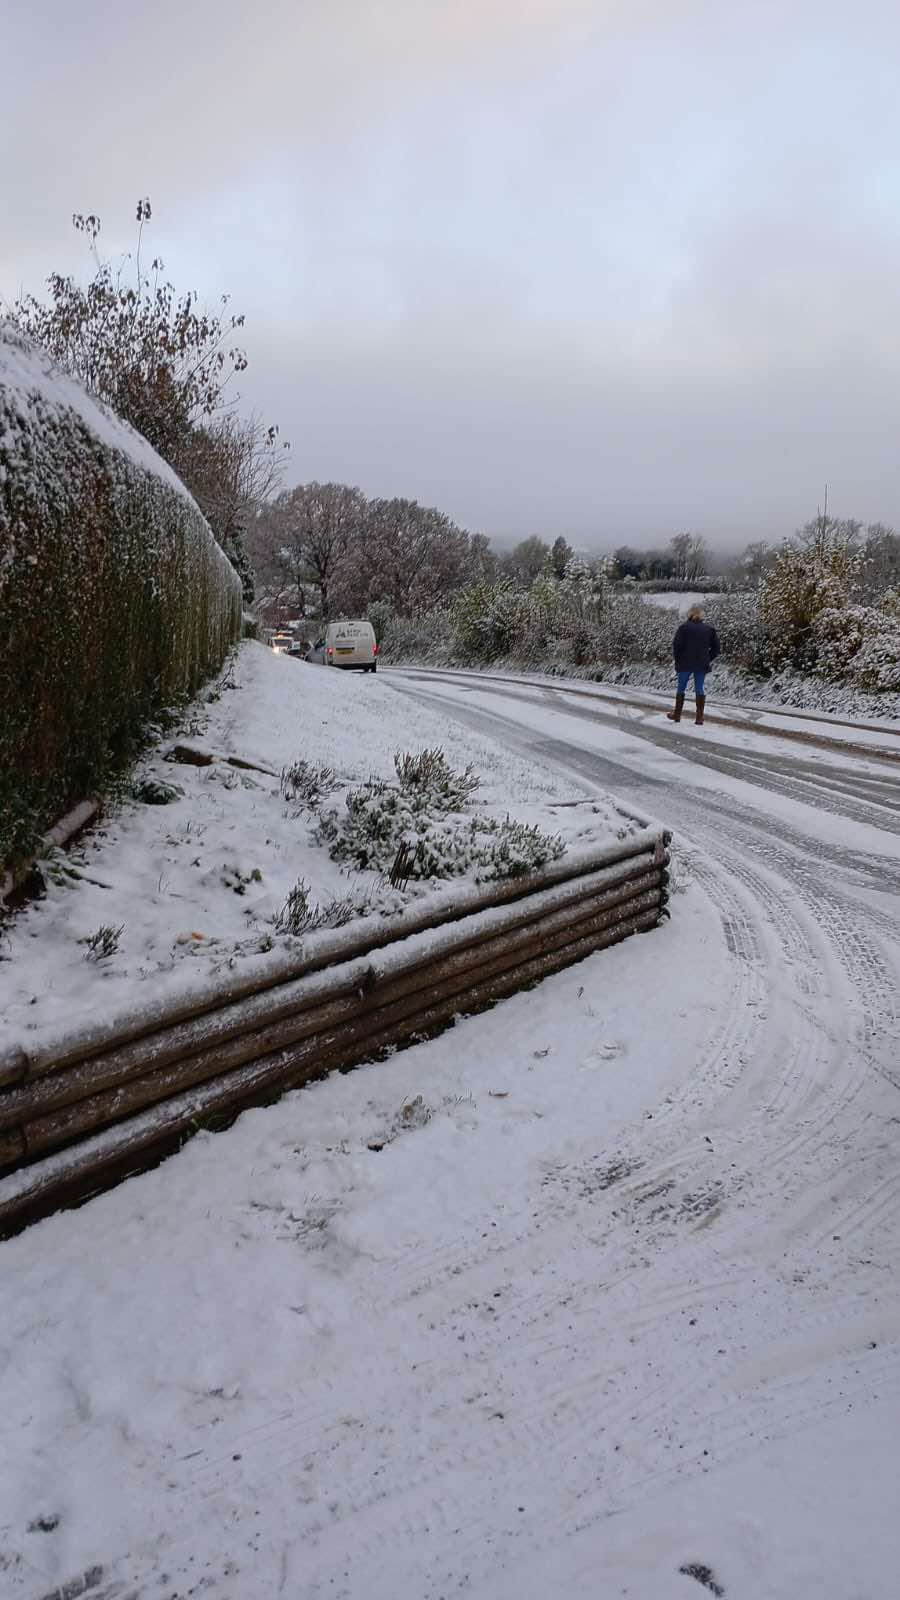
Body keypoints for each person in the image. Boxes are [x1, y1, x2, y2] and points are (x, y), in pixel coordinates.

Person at [668, 604, 720, 724]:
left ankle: (677, 714)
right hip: (702, 663)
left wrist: (678, 661)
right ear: (702, 616)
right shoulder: (709, 629)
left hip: (685, 663)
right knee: (699, 688)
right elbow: (716, 648)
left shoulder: (683, 628)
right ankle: (699, 717)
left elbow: (677, 646)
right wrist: (708, 658)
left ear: (690, 615)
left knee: (681, 688)